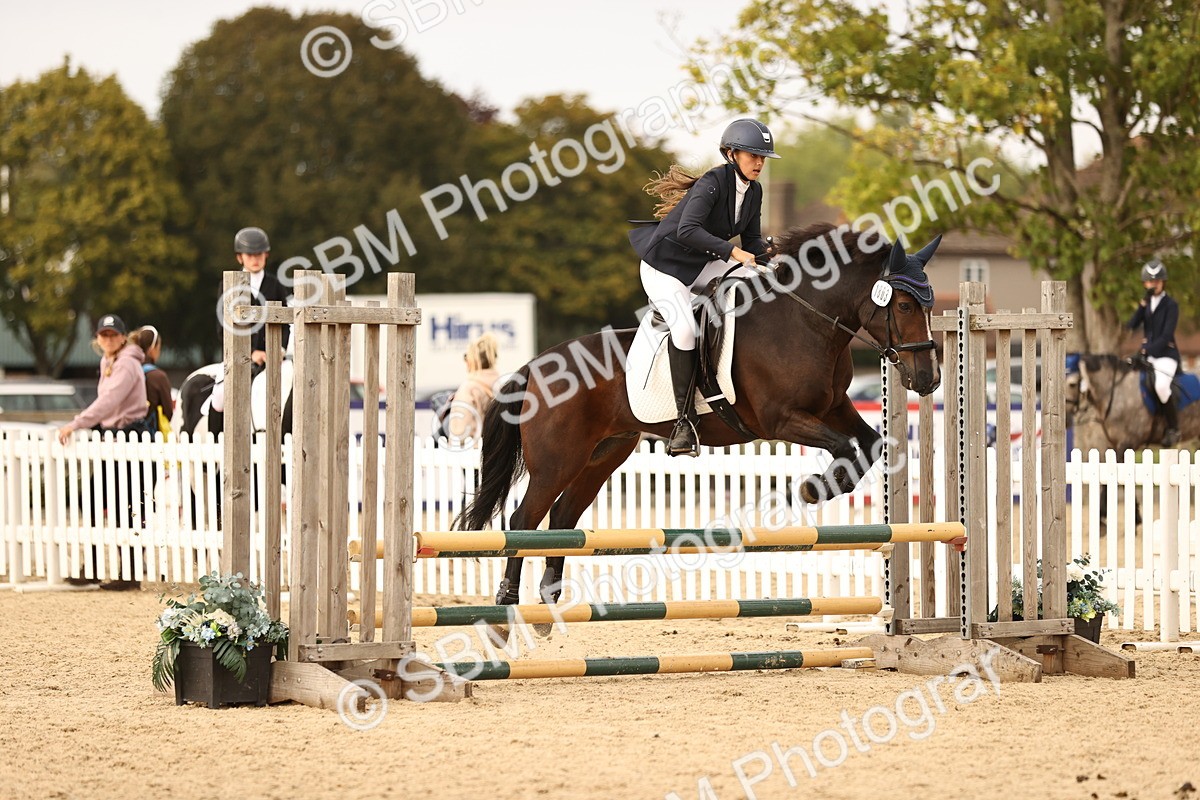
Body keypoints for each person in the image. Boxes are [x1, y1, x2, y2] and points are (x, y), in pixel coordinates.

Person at [628, 118, 778, 457]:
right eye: (752, 155)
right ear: (731, 154)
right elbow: (687, 230)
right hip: (664, 267)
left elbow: (753, 242)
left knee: (757, 281)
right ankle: (683, 423)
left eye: (763, 157)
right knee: (684, 330)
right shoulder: (713, 183)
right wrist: (733, 253)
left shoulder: (754, 191)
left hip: (700, 263)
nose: (759, 163)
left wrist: (776, 257)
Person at [57, 313, 150, 589]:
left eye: (113, 335)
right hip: (113, 438)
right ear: (98, 338)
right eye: (104, 335)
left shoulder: (127, 364)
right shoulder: (108, 361)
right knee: (94, 499)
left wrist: (76, 423)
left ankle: (129, 572)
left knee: (124, 505)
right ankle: (95, 565)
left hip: (129, 436)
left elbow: (109, 401)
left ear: (122, 337)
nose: (108, 339)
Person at [208, 226, 290, 433]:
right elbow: (222, 327)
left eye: (259, 254)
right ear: (240, 257)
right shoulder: (229, 284)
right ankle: (215, 441)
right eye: (250, 255)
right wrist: (250, 352)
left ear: (266, 255)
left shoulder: (276, 285)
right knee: (220, 395)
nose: (255, 259)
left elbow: (285, 323)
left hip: (272, 357)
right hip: (238, 356)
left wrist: (279, 350)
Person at [1127, 258, 1181, 446]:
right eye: (1150, 281)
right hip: (1148, 355)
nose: (1153, 284)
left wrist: (1145, 349)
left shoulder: (1171, 305)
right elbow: (1131, 325)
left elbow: (1166, 336)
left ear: (1163, 282)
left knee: (1161, 386)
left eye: (1157, 281)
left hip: (1166, 355)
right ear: (1145, 284)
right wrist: (1141, 307)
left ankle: (1173, 428)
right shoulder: (1147, 304)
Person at [444, 332, 500, 448]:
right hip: (494, 452)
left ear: (472, 360)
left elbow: (459, 433)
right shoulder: (501, 387)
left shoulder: (468, 389)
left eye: (466, 356)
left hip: (470, 454)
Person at [133, 325, 174, 435]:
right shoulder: (158, 376)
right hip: (151, 435)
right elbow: (168, 412)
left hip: (126, 432)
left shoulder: (128, 370)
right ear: (152, 349)